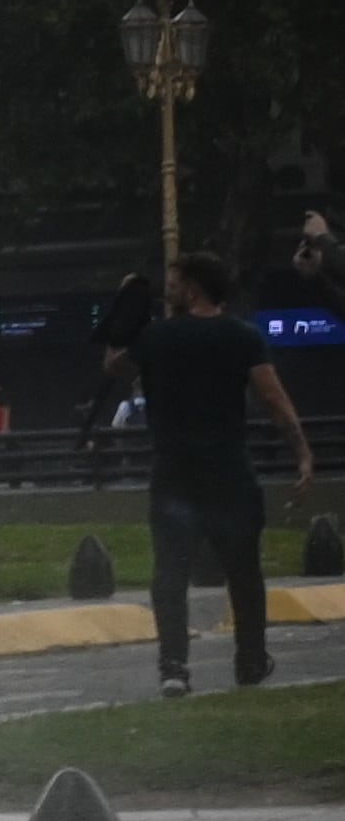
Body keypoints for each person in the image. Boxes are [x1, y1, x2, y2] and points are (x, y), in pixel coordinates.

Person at [109, 252, 319, 695]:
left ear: (194, 287)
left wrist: (128, 304)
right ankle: (250, 661)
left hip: (174, 473)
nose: (167, 288)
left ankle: (173, 667)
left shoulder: (156, 337)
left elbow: (113, 362)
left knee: (170, 573)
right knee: (244, 572)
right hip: (229, 472)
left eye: (174, 280)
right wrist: (301, 452)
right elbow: (274, 400)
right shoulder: (243, 337)